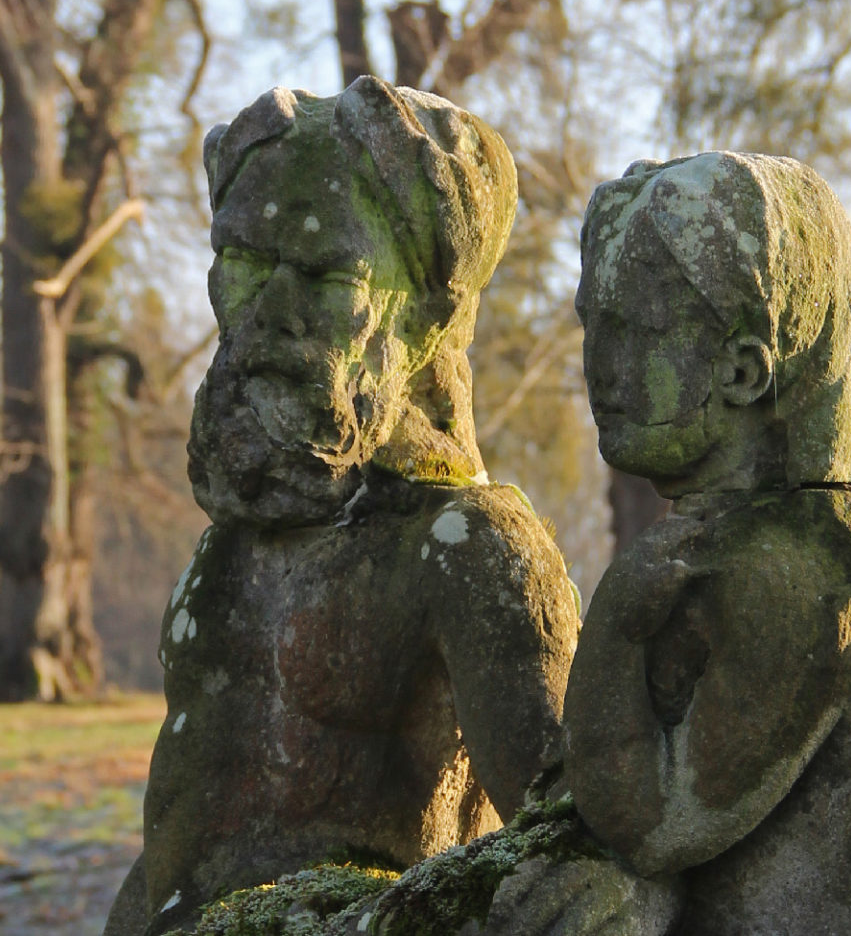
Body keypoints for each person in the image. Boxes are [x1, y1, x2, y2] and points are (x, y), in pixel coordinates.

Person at [103, 77, 582, 936]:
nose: (273, 314)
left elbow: (570, 852)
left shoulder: (468, 550)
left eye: (328, 275)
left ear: (429, 313)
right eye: (244, 265)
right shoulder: (232, 547)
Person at [564, 152, 851, 936]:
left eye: (639, 332)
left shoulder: (805, 562)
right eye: (594, 324)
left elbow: (649, 823)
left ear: (744, 367)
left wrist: (619, 623)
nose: (601, 367)